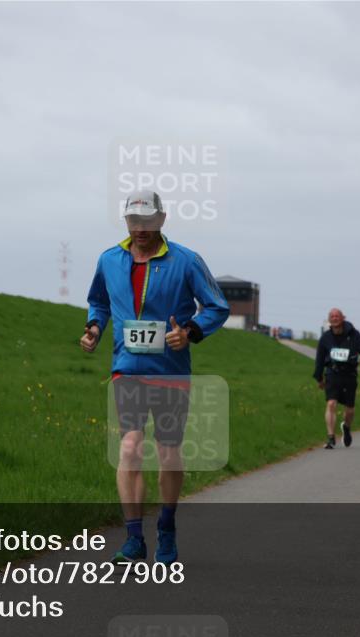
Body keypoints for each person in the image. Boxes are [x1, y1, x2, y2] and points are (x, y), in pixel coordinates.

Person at [81, 189, 229, 565]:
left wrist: (191, 331)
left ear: (161, 220)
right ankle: (133, 539)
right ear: (126, 221)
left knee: (167, 451)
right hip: (127, 369)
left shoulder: (186, 260)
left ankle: (166, 527)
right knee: (129, 447)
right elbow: (98, 300)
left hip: (170, 372)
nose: (140, 228)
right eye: (134, 221)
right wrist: (94, 328)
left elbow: (217, 306)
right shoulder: (109, 259)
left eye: (147, 221)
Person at [313, 309, 360, 448]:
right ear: (329, 320)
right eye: (332, 316)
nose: (334, 318)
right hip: (332, 374)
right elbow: (319, 360)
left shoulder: (354, 334)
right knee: (331, 403)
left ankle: (346, 427)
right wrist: (319, 378)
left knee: (350, 410)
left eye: (337, 316)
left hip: (349, 375)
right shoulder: (325, 338)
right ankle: (331, 437)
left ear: (343, 318)